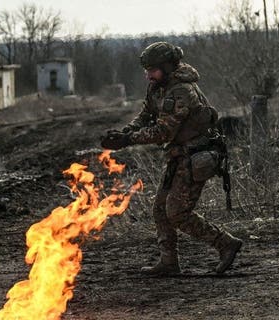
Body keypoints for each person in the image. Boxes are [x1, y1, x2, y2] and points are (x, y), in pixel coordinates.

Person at [101, 42, 243, 275]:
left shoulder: (181, 92)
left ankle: (226, 243)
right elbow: (146, 115)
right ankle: (169, 263)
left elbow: (163, 132)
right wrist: (124, 132)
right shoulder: (158, 86)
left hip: (195, 156)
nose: (148, 75)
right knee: (159, 209)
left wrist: (128, 141)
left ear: (167, 67)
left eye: (152, 70)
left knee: (177, 213)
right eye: (146, 70)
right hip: (178, 155)